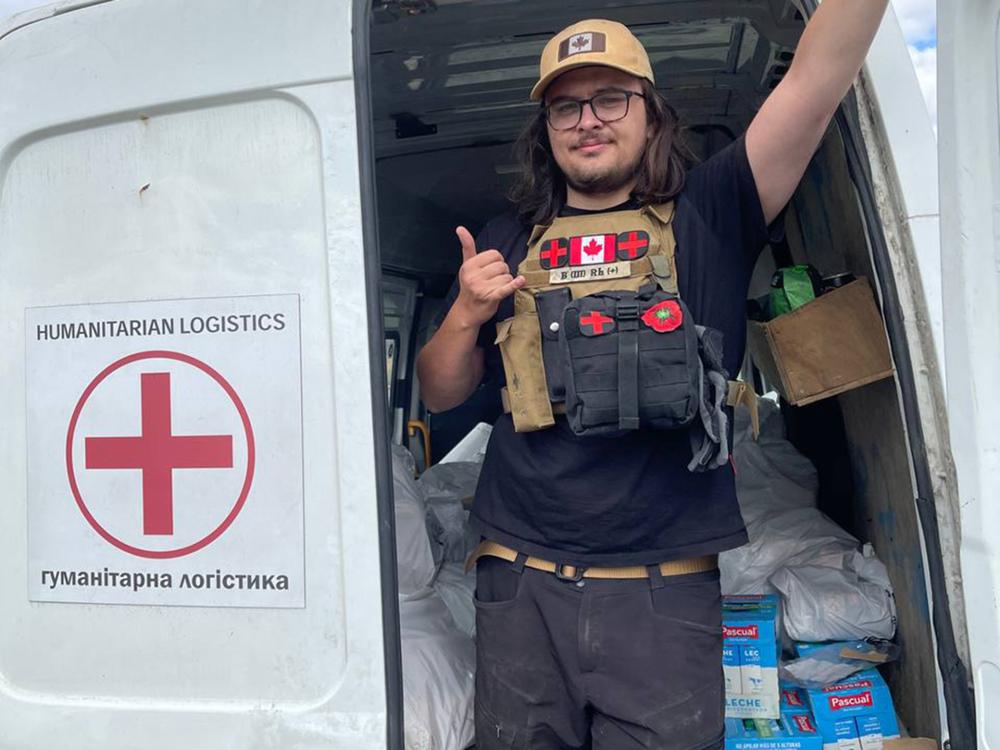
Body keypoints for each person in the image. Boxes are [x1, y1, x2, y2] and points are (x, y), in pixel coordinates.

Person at [417, 4, 890, 748]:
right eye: (567, 106)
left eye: (610, 98)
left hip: (662, 594)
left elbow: (818, 76)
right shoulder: (508, 239)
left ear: (650, 111)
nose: (588, 120)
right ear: (546, 128)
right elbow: (441, 391)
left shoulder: (713, 208)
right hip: (520, 584)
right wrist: (465, 313)